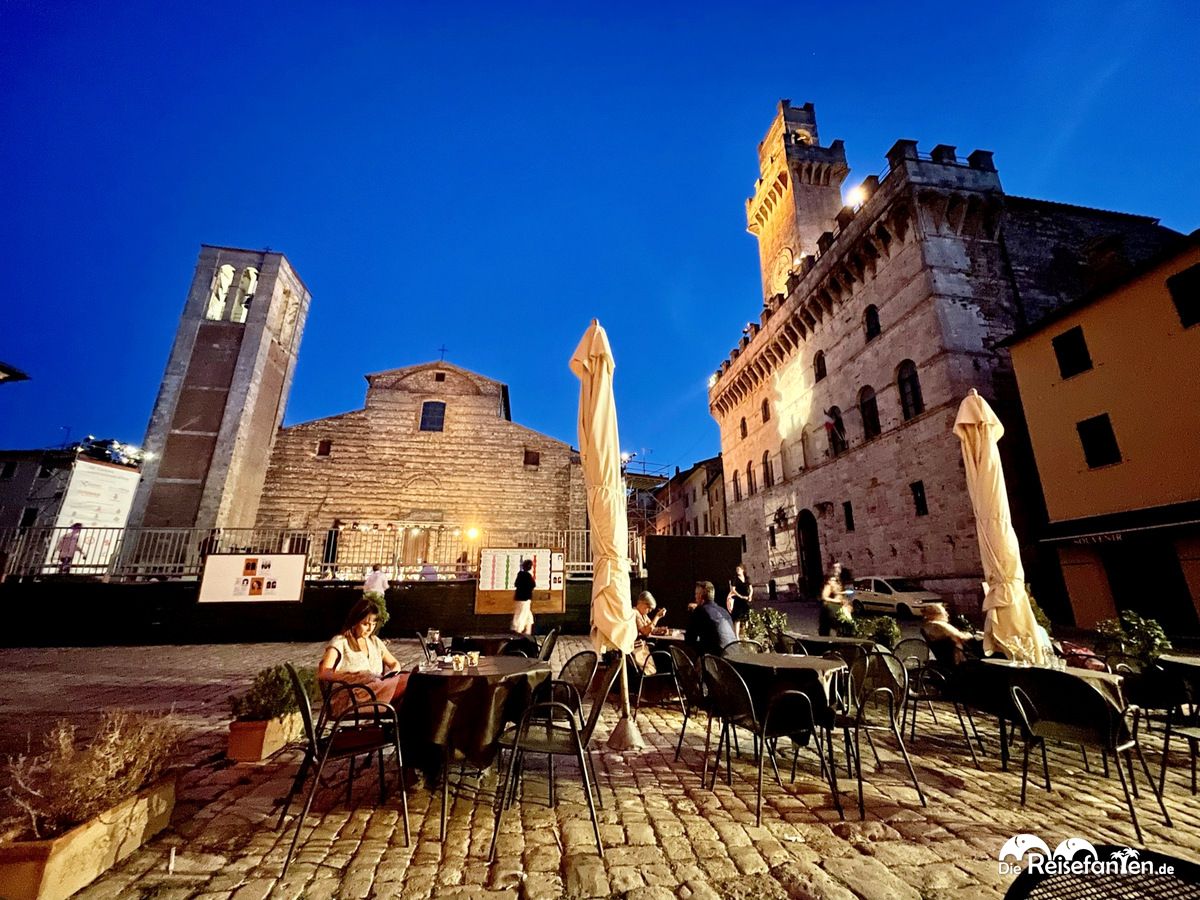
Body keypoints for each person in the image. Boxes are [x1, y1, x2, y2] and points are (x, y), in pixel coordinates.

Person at [318, 598, 408, 715]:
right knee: (410, 682)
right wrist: (352, 676)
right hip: (354, 697)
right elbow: (324, 672)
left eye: (373, 624)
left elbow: (394, 663)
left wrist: (392, 673)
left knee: (412, 685)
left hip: (376, 690)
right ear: (355, 622)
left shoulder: (374, 641)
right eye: (365, 624)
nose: (370, 629)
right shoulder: (340, 642)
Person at [686, 581, 737, 656]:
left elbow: (689, 639)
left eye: (696, 594)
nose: (695, 597)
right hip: (734, 658)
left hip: (715, 661)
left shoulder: (700, 611)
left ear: (700, 596)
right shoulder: (724, 611)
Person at [818, 563, 848, 636]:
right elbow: (824, 596)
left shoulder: (842, 581)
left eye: (839, 567)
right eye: (835, 567)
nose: (837, 569)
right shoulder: (831, 582)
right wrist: (836, 601)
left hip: (843, 607)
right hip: (832, 607)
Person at [727, 564, 753, 637]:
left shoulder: (747, 578)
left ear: (743, 570)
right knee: (737, 619)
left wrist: (750, 596)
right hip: (739, 601)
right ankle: (737, 636)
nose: (737, 571)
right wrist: (740, 596)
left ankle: (745, 634)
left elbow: (751, 588)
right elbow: (733, 590)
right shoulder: (735, 579)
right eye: (736, 569)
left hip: (746, 601)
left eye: (739, 569)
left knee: (745, 618)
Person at [511, 558, 535, 635]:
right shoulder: (528, 576)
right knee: (522, 615)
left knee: (528, 615)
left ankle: (528, 631)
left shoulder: (520, 574)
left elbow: (516, 584)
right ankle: (517, 631)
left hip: (518, 597)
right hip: (525, 599)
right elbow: (533, 585)